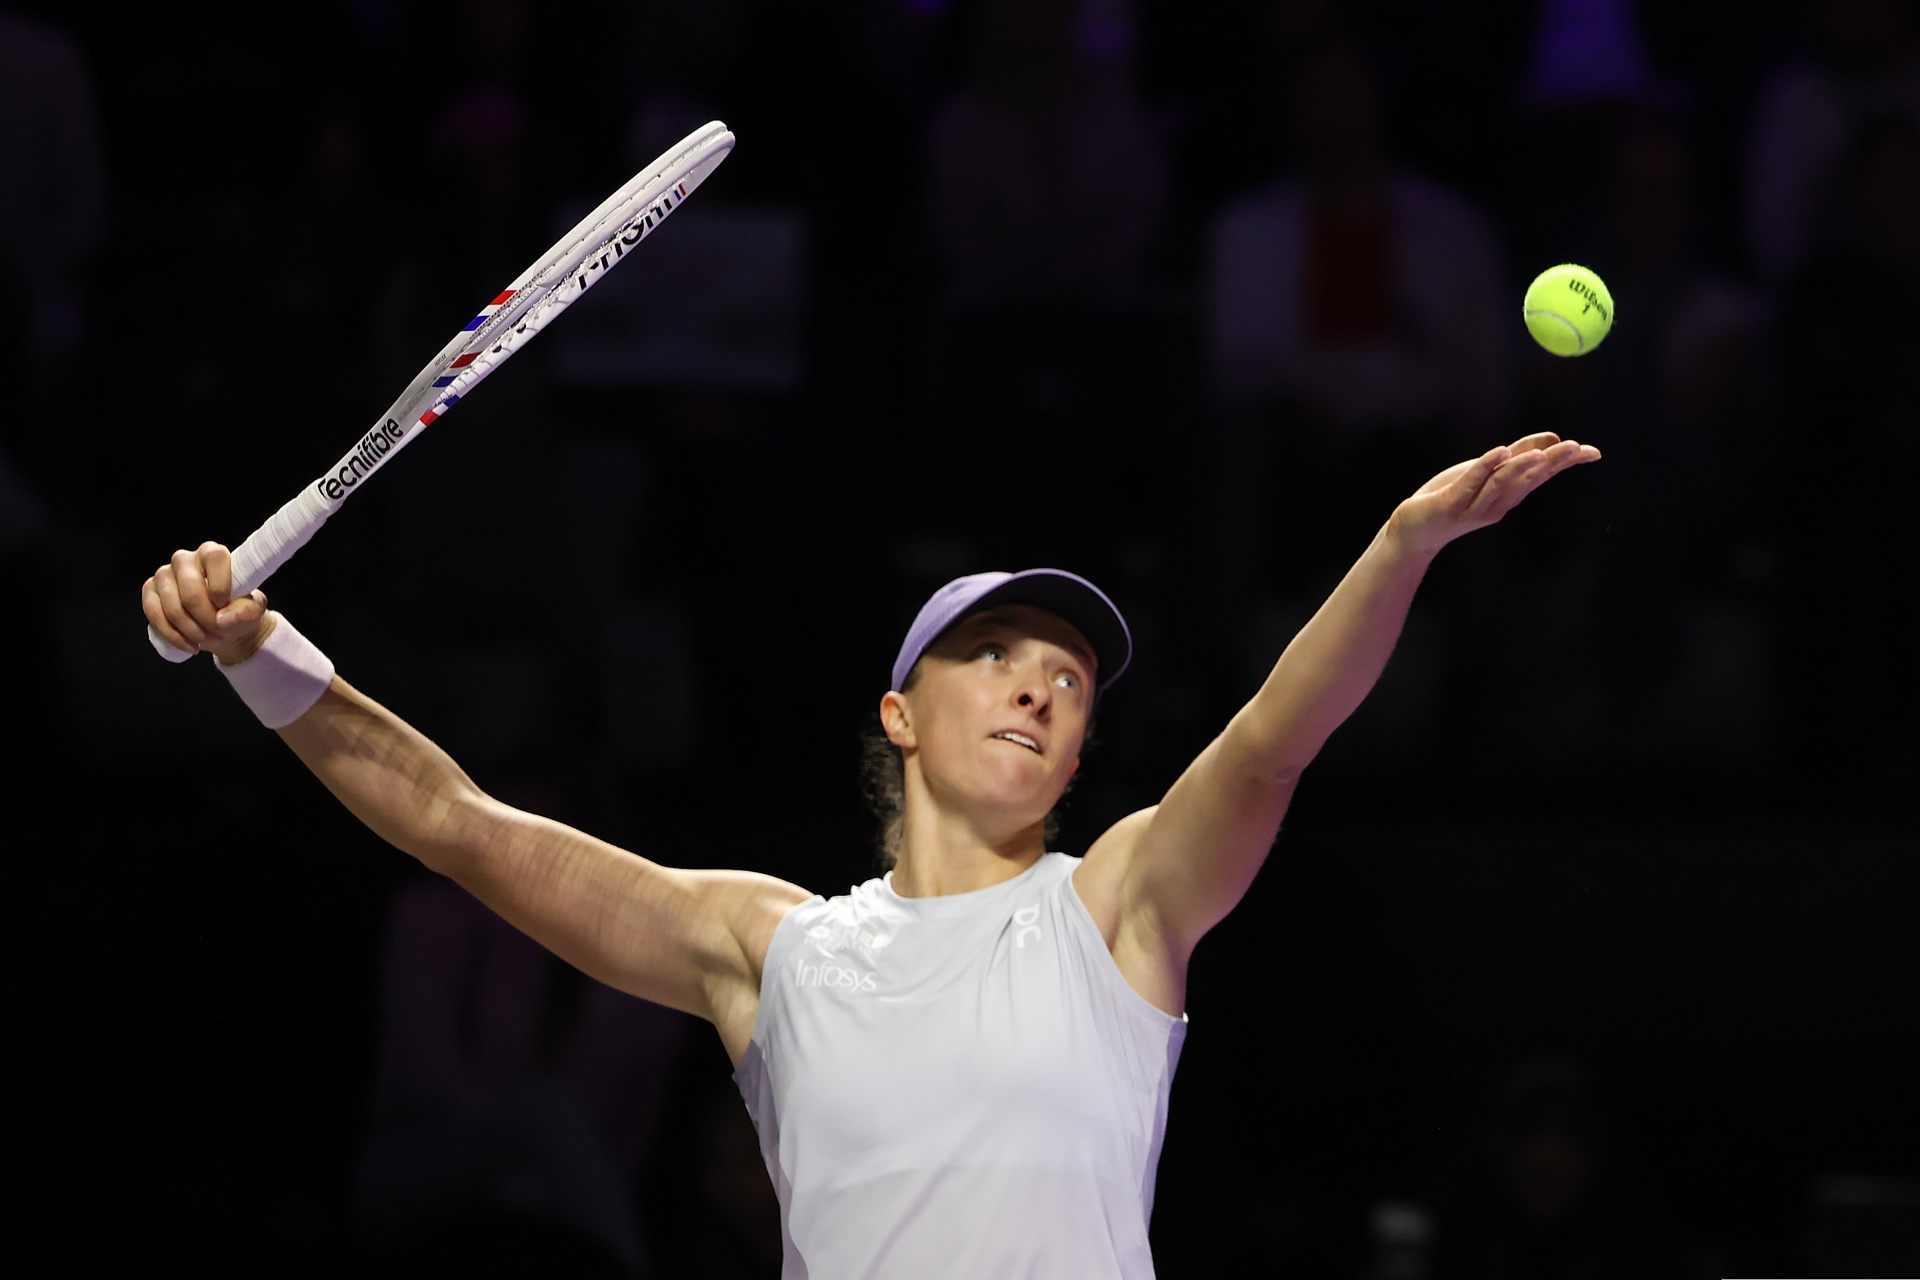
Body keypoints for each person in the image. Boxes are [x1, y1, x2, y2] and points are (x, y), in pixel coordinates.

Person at [141, 431, 1598, 1278]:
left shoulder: (1117, 911)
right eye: (993, 653)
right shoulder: (774, 950)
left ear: (1084, 755)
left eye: (1072, 678)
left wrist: (1403, 543)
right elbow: (457, 824)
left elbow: (1276, 738)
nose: (1039, 683)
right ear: (901, 713)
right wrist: (260, 651)